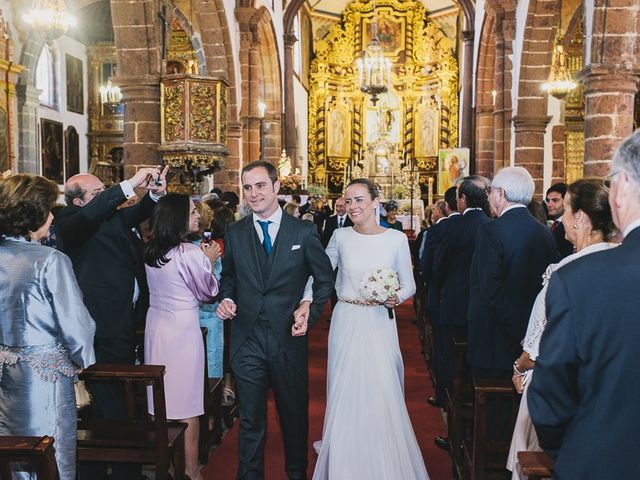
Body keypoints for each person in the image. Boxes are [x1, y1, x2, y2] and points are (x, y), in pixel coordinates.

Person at [528, 132, 640, 479]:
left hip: (605, 462)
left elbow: (550, 395)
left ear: (620, 189)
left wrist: (581, 444)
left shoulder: (582, 279)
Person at [216, 160, 334, 479]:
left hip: (287, 340)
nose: (254, 194)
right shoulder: (235, 232)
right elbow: (229, 277)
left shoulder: (304, 232)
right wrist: (227, 298)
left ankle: (297, 475)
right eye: (248, 187)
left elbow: (324, 279)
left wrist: (310, 308)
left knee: (293, 419)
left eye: (260, 186)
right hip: (248, 340)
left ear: (276, 187)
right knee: (251, 422)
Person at [55, 165, 168, 480]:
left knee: (115, 404)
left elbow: (135, 214)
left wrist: (154, 195)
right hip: (98, 328)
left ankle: (113, 469)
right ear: (78, 202)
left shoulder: (109, 217)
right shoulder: (70, 222)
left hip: (121, 323)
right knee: (107, 406)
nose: (105, 196)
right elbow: (93, 215)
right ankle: (118, 471)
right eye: (97, 192)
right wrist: (129, 183)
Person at [312, 178, 429, 480]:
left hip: (379, 321)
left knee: (381, 386)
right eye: (348, 201)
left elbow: (410, 283)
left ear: (376, 202)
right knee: (345, 386)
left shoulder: (395, 239)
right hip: (347, 318)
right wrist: (304, 300)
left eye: (359, 199)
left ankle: (381, 457)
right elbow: (321, 275)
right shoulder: (340, 236)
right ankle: (345, 458)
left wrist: (396, 296)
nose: (352, 206)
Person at [506, 179, 617, 479]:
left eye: (566, 210)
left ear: (580, 217)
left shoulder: (565, 273)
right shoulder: (623, 264)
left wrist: (518, 367)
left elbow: (535, 347)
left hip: (559, 395)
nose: (561, 218)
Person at [0, 174, 96, 480]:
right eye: (49, 209)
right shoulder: (50, 260)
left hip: (4, 373)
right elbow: (75, 323)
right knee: (50, 454)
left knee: (10, 453)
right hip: (44, 378)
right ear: (35, 212)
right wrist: (81, 359)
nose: (53, 216)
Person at [144, 193, 221, 480]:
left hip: (157, 327)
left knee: (160, 399)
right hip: (182, 331)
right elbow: (209, 293)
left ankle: (167, 465)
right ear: (177, 218)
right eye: (191, 212)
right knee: (188, 403)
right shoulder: (189, 253)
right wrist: (209, 260)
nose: (197, 216)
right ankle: (191, 471)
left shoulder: (152, 250)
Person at [468, 167, 558, 379]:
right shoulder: (544, 231)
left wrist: (518, 333)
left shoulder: (491, 230)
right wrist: (527, 335)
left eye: (491, 191)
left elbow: (490, 290)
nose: (489, 197)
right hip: (530, 338)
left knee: (493, 409)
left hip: (496, 338)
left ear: (501, 193)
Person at [430, 176, 491, 449]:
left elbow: (437, 267)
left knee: (449, 360)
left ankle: (452, 420)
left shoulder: (452, 227)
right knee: (472, 368)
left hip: (453, 306)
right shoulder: (492, 226)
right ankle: (470, 426)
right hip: (481, 310)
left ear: (462, 199)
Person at [545, 182, 574, 258]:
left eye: (555, 200)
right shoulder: (556, 223)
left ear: (566, 201)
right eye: (548, 200)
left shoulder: (568, 226)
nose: (549, 204)